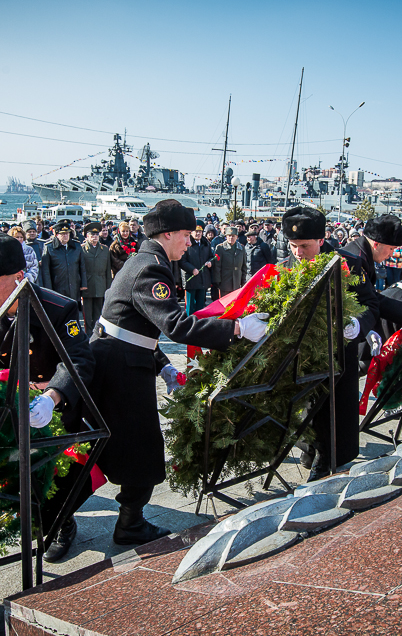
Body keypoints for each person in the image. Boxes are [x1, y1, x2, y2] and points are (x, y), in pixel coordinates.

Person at [87, 199, 267, 544]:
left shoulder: (146, 261)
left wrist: (163, 364)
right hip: (121, 370)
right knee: (140, 448)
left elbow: (132, 324)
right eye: (185, 235)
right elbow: (174, 325)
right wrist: (238, 330)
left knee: (129, 447)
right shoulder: (151, 267)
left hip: (123, 361)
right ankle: (125, 524)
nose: (189, 241)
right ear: (167, 234)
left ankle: (127, 521)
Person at [0, 232, 96, 562]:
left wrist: (52, 396)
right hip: (15, 407)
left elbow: (78, 359)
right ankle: (30, 517)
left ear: (19, 276)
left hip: (58, 407)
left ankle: (62, 523)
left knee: (58, 474)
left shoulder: (58, 307)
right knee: (20, 473)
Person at [285, 209, 402, 479]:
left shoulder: (345, 262)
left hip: (338, 350)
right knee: (305, 408)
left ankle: (325, 461)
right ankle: (311, 448)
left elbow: (370, 302)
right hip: (303, 352)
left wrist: (359, 325)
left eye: (305, 246)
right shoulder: (288, 265)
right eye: (293, 246)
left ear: (321, 241)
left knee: (333, 409)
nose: (299, 253)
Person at [39, 219, 87, 301]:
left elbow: (82, 266)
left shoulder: (76, 246)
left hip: (74, 285)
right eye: (63, 234)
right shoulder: (49, 247)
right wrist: (48, 289)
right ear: (57, 235)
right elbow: (46, 271)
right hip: (57, 285)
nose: (65, 236)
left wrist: (84, 284)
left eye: (67, 233)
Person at [80, 222, 111, 332]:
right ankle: (88, 335)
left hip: (100, 286)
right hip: (87, 286)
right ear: (87, 236)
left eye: (96, 235)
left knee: (99, 314)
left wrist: (108, 287)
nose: (94, 237)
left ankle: (97, 335)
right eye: (92, 235)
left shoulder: (105, 250)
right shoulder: (82, 250)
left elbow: (108, 270)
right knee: (87, 316)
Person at [179, 220, 214, 315]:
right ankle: (188, 325)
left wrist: (210, 262)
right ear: (191, 232)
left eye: (200, 231)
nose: (198, 233)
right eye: (196, 231)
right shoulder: (187, 243)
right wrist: (192, 269)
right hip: (191, 279)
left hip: (203, 279)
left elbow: (211, 256)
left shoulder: (206, 244)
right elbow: (182, 261)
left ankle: (199, 325)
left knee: (200, 306)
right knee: (190, 306)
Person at [212, 227, 246, 297]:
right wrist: (217, 281)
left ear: (236, 237)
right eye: (229, 236)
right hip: (225, 282)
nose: (231, 238)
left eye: (233, 236)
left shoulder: (241, 248)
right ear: (226, 237)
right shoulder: (220, 248)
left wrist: (243, 280)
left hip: (237, 281)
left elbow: (244, 266)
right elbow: (217, 266)